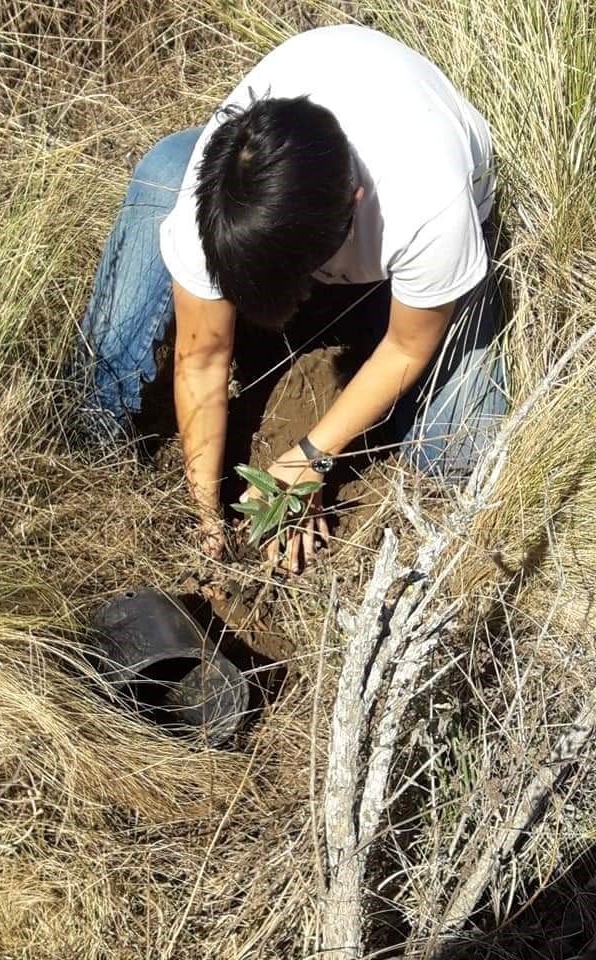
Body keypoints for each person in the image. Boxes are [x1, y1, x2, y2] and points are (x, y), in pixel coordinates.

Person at [79, 25, 508, 571]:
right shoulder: (217, 202)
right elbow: (203, 358)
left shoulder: (427, 202)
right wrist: (207, 515)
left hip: (403, 270)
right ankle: (91, 429)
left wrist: (310, 457)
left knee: (456, 456)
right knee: (165, 167)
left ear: (353, 205)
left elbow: (405, 347)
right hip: (296, 220)